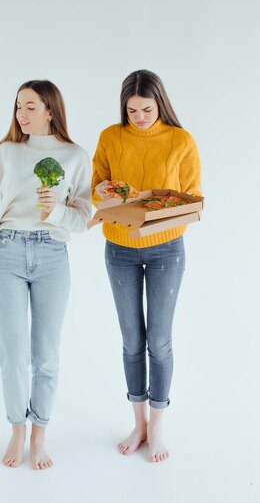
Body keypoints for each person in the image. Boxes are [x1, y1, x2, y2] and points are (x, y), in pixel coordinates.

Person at [0, 80, 91, 470]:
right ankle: (17, 429)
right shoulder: (7, 152)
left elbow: (84, 218)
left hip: (53, 254)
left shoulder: (75, 156)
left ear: (51, 111)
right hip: (7, 252)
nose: (21, 113)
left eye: (31, 106)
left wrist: (54, 212)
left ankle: (40, 434)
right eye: (19, 106)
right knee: (13, 354)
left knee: (46, 355)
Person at [91, 69, 201, 463]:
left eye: (146, 109)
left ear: (161, 104)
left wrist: (158, 207)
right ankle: (137, 423)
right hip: (118, 247)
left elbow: (193, 196)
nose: (138, 117)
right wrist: (104, 191)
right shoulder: (110, 137)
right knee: (132, 341)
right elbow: (97, 186)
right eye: (131, 110)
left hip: (166, 250)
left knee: (160, 341)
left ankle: (157, 426)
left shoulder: (180, 140)